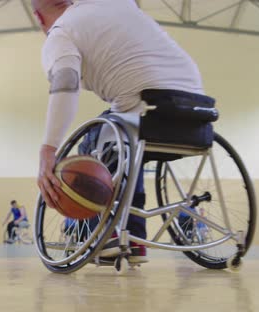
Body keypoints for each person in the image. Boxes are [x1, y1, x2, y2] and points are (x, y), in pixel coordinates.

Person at [33, 0, 204, 263]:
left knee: (94, 141)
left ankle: (106, 237)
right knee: (122, 134)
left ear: (38, 17)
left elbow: (66, 84)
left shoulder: (61, 33)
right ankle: (132, 236)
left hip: (146, 113)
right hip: (197, 111)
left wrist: (49, 148)